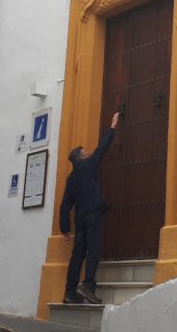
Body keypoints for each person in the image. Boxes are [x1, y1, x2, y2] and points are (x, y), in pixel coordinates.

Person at [59, 111, 120, 304]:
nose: (88, 153)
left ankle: (69, 292)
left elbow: (65, 205)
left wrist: (65, 229)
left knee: (77, 254)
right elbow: (102, 148)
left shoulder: (71, 179)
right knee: (93, 250)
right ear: (81, 157)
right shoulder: (89, 165)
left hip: (80, 220)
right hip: (93, 215)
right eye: (85, 152)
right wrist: (112, 127)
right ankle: (87, 286)